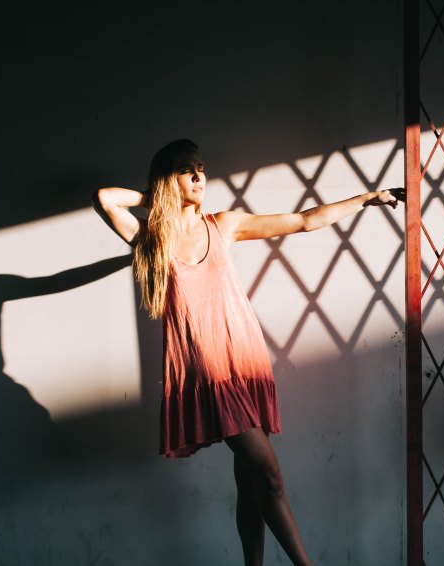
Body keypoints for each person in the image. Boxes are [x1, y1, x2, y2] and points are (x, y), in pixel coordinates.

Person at [92, 139, 403, 566]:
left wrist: (366, 198)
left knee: (251, 481)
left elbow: (303, 220)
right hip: (208, 373)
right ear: (169, 177)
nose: (200, 176)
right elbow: (104, 199)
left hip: (245, 362)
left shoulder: (223, 225)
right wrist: (160, 195)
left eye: (201, 167)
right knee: (270, 474)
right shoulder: (152, 240)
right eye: (187, 169)